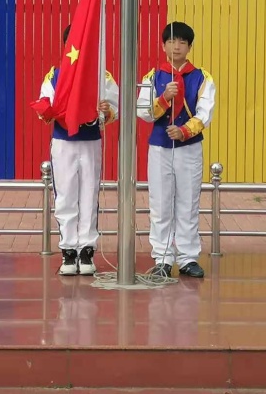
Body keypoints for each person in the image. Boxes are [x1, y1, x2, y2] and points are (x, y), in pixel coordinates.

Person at [35, 25, 119, 276]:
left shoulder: (102, 76)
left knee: (89, 194)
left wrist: (106, 110)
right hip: (64, 142)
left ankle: (87, 250)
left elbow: (115, 108)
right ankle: (69, 250)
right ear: (67, 46)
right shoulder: (55, 75)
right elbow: (45, 104)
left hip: (90, 141)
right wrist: (47, 110)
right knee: (66, 195)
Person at [136, 21, 216, 279]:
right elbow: (143, 112)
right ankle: (162, 258)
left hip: (189, 148)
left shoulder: (202, 77)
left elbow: (205, 113)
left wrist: (184, 131)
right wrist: (164, 99)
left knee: (188, 203)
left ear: (189, 46)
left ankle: (188, 258)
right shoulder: (152, 77)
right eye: (171, 41)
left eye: (182, 42)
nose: (177, 46)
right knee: (160, 204)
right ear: (163, 46)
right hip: (160, 148)